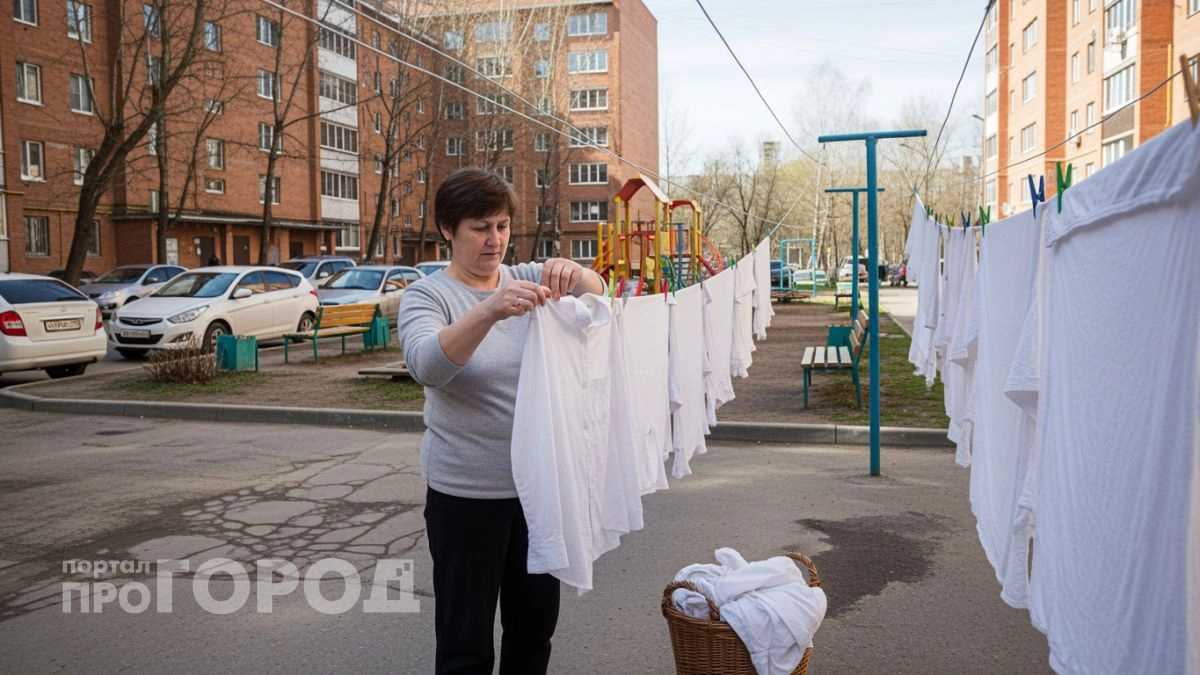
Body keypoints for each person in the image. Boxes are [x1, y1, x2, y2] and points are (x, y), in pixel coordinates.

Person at [396, 168, 605, 674]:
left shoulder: (527, 278)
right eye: (480, 227)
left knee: (534, 632)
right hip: (466, 497)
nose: (495, 241)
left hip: (538, 494)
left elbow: (597, 295)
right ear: (448, 229)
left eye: (503, 226)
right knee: (465, 643)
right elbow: (427, 365)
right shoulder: (427, 296)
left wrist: (574, 274)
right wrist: (488, 310)